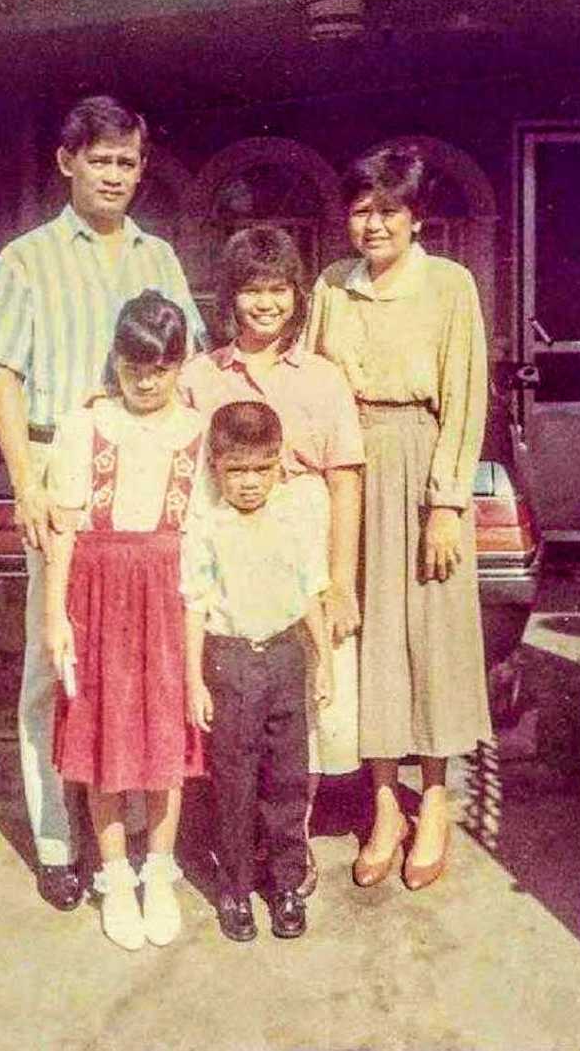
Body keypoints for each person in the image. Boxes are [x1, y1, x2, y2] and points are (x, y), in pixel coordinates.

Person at [0, 95, 205, 912]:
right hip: (58, 463)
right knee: (57, 660)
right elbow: (2, 372)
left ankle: (139, 842)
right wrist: (25, 483)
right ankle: (59, 842)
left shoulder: (159, 257)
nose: (115, 175)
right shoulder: (24, 259)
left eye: (128, 162)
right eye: (100, 159)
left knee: (142, 659)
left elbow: (189, 363)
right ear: (67, 162)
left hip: (144, 465)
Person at [306, 141, 492, 891]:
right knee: (370, 637)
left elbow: (466, 394)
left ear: (417, 217)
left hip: (422, 464)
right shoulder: (329, 285)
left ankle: (437, 799)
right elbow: (314, 384)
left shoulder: (450, 287)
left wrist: (446, 501)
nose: (372, 223)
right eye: (360, 209)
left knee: (432, 636)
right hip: (350, 469)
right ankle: (384, 803)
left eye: (388, 209)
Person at [178, 226, 364, 898]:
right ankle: (237, 842)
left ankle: (291, 843)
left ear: (297, 295)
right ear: (230, 296)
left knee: (303, 710)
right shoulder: (201, 375)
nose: (266, 303)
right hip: (228, 552)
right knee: (233, 704)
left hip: (302, 548)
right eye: (252, 289)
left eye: (279, 288)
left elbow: (345, 479)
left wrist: (339, 579)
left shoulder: (320, 377)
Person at [43, 292, 203, 951]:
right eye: (134, 365)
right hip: (96, 593)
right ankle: (113, 873)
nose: (146, 380)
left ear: (180, 364)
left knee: (166, 734)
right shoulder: (86, 424)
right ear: (116, 359)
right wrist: (55, 613)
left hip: (169, 593)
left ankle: (158, 875)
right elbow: (62, 528)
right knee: (101, 736)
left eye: (160, 368)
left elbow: (203, 537)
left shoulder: (197, 427)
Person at [182, 401, 333, 943]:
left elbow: (311, 593)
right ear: (215, 469)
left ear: (278, 467)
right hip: (230, 661)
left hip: (287, 658)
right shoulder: (206, 528)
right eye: (236, 470)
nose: (249, 483)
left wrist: (325, 664)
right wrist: (193, 680)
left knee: (288, 780)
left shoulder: (292, 521)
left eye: (260, 469)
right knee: (235, 781)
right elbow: (195, 606)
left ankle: (287, 883)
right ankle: (236, 888)